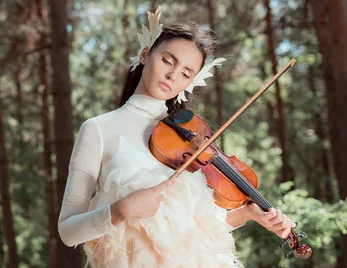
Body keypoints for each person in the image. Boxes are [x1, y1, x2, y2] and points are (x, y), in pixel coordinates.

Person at [57, 7, 296, 267]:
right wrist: (119, 211)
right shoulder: (98, 129)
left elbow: (195, 233)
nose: (172, 76)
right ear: (146, 54)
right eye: (168, 61)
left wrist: (249, 212)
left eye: (185, 73)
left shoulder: (190, 142)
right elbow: (68, 232)